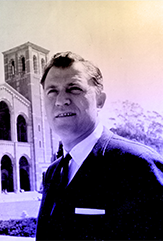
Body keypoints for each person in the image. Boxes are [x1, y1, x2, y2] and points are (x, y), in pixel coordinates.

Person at [36, 52, 163, 241]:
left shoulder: (138, 165)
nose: (61, 100)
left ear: (100, 100)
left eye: (74, 89)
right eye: (52, 91)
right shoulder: (53, 173)